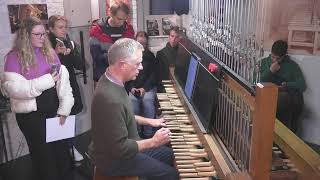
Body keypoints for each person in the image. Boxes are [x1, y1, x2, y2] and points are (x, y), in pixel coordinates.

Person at [90, 38, 178, 180]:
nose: (141, 67)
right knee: (172, 175)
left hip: (128, 147)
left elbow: (123, 115)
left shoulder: (110, 78)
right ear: (122, 65)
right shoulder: (110, 98)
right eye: (137, 64)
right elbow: (120, 149)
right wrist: (153, 141)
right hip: (115, 161)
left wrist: (150, 122)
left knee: (173, 156)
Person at [1, 17, 74, 180]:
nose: (43, 37)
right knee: (45, 159)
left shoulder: (50, 52)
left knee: (62, 156)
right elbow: (15, 90)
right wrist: (47, 80)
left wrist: (64, 109)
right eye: (38, 34)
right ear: (26, 35)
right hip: (31, 116)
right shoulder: (13, 58)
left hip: (53, 110)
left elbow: (63, 85)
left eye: (44, 34)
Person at [48, 15, 84, 162]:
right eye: (60, 27)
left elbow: (80, 65)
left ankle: (71, 147)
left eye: (65, 27)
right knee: (57, 120)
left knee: (70, 117)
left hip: (70, 85)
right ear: (50, 29)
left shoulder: (69, 42)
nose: (64, 30)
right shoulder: (44, 45)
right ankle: (61, 152)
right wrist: (56, 53)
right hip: (53, 89)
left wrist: (72, 53)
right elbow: (43, 69)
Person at [259, 40, 306, 133]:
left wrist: (287, 85)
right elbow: (256, 81)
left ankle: (280, 138)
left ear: (284, 56)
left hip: (284, 98)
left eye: (278, 59)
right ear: (270, 53)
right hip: (267, 96)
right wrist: (270, 71)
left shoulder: (292, 66)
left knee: (283, 99)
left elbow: (302, 85)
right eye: (273, 57)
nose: (275, 60)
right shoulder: (263, 63)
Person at [89, 0, 134, 83]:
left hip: (123, 77)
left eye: (124, 19)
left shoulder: (128, 30)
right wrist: (115, 57)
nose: (122, 22)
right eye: (119, 19)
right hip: (103, 76)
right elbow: (96, 56)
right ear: (111, 14)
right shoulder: (97, 30)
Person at [125, 31, 157, 138]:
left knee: (147, 101)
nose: (141, 46)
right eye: (139, 43)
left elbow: (153, 76)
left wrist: (145, 88)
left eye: (144, 44)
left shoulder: (151, 56)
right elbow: (127, 76)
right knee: (132, 102)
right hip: (133, 87)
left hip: (148, 87)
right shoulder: (129, 57)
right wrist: (132, 88)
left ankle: (148, 133)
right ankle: (137, 132)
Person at [155, 26, 181, 92]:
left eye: (176, 37)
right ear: (169, 36)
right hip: (166, 87)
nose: (173, 39)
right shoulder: (161, 54)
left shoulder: (183, 54)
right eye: (172, 36)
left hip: (180, 86)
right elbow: (159, 77)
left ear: (179, 38)